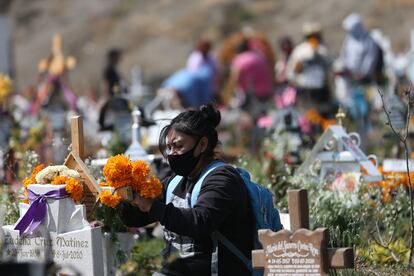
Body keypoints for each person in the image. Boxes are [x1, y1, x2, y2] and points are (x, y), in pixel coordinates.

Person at [121, 104, 253, 276]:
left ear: (202, 144)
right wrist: (123, 200)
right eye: (169, 147)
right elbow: (138, 217)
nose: (171, 153)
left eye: (178, 146)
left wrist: (151, 206)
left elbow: (200, 221)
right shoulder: (175, 181)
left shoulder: (223, 179)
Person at [286, 22, 331, 109]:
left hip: (316, 90)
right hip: (309, 90)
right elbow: (293, 71)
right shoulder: (301, 50)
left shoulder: (321, 50)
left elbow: (290, 74)